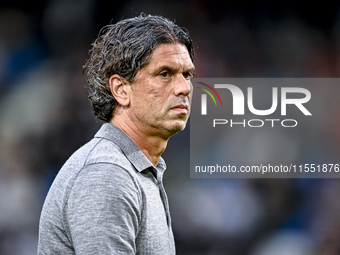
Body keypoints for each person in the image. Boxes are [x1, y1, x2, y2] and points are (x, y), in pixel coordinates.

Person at [38, 14, 195, 254]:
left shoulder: (135, 168)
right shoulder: (106, 173)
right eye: (165, 74)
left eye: (187, 75)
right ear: (121, 90)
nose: (184, 87)